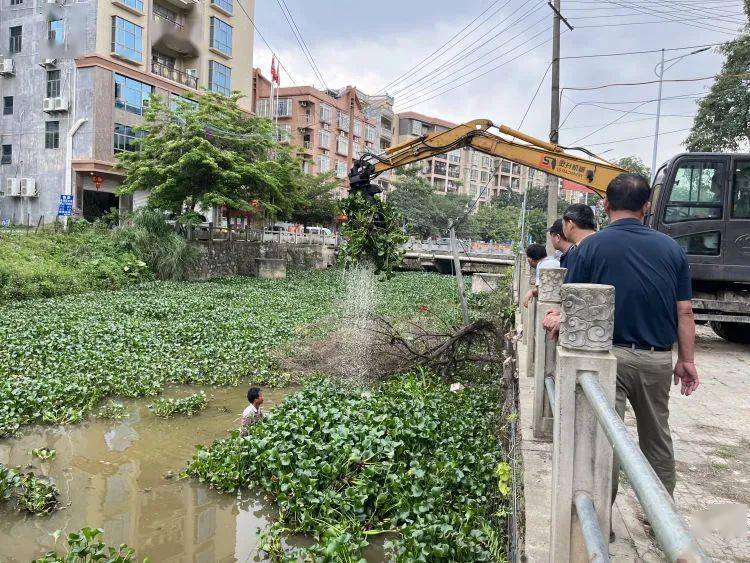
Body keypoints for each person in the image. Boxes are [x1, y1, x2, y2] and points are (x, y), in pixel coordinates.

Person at [543, 173, 700, 520]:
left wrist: (558, 318)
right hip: (656, 359)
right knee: (656, 437)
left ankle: (600, 520)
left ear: (606, 205)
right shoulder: (671, 248)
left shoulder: (590, 248)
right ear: (647, 206)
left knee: (605, 438)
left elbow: (576, 303)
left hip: (606, 357)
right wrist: (686, 360)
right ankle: (661, 520)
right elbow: (684, 310)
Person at [560, 203, 598, 273]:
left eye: (563, 225)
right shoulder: (607, 243)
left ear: (570, 224)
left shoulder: (578, 252)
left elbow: (571, 283)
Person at [522, 243, 560, 308]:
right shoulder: (555, 260)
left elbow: (540, 290)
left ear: (529, 260)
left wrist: (530, 292)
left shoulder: (541, 266)